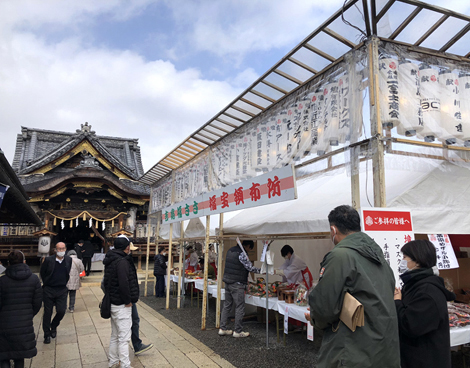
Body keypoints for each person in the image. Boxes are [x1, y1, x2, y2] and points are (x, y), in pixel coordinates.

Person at [306, 205, 399, 368]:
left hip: (354, 351)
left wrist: (314, 318)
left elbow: (324, 306)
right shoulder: (378, 257)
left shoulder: (340, 256)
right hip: (384, 349)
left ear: (333, 230)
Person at [394, 239, 455, 368]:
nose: (402, 261)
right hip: (414, 358)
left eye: (405, 257)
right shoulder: (415, 285)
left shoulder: (427, 292)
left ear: (417, 261)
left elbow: (410, 325)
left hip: (425, 361)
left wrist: (397, 302)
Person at [0, 251, 42, 368]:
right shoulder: (34, 279)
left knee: (4, 354)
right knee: (19, 356)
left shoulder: (2, 281)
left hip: (4, 323)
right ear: (24, 261)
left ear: (8, 263)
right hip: (24, 322)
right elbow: (37, 303)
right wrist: (28, 314)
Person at [103, 235, 140, 368]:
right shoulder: (122, 261)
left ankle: (113, 361)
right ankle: (125, 364)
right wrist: (128, 300)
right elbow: (124, 283)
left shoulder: (111, 259)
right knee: (124, 337)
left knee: (115, 335)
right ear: (127, 247)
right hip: (121, 304)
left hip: (112, 301)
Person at [219, 240, 260, 338]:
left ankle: (222, 328)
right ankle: (238, 331)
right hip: (237, 284)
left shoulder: (230, 250)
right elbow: (250, 268)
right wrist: (262, 270)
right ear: (248, 246)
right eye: (250, 249)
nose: (249, 251)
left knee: (227, 305)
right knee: (239, 307)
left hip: (228, 282)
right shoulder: (242, 254)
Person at [40, 242, 72, 344]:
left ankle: (53, 325)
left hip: (62, 289)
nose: (61, 251)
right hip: (49, 289)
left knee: (61, 311)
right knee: (47, 313)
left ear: (65, 249)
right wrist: (46, 284)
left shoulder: (68, 260)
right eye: (59, 249)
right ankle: (46, 334)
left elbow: (67, 273)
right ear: (55, 249)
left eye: (63, 249)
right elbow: (43, 272)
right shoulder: (49, 260)